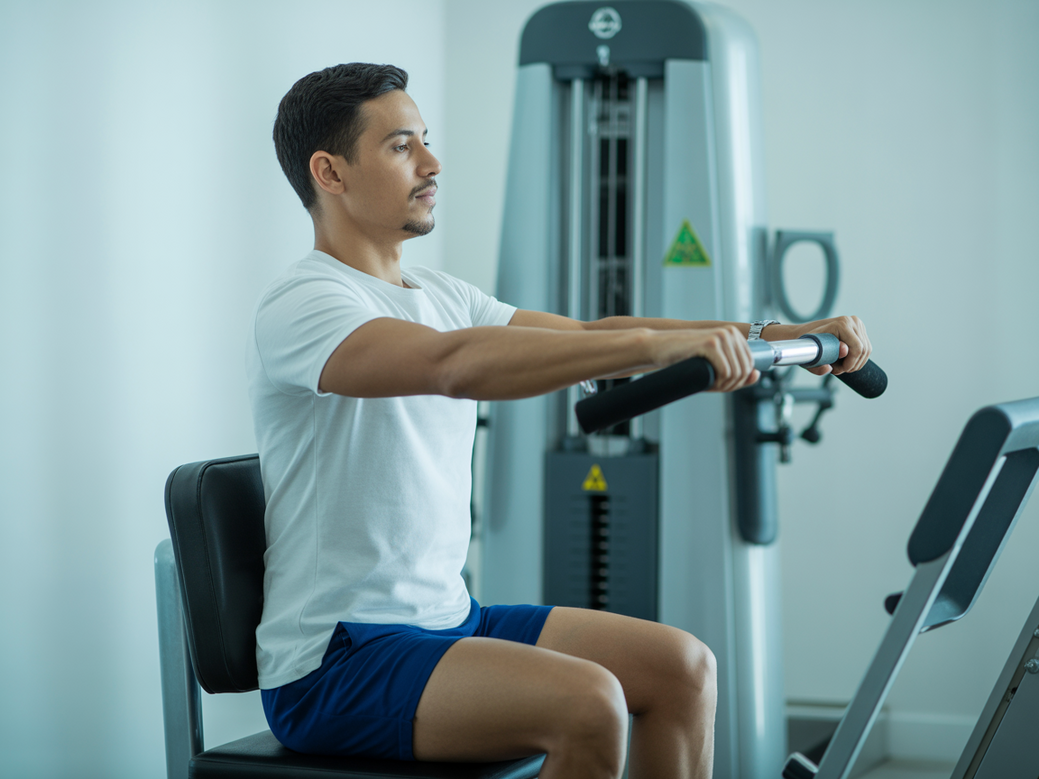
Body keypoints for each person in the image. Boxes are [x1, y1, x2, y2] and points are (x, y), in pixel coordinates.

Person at [247, 63, 871, 779]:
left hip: (450, 618)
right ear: (329, 171)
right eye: (400, 146)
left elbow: (587, 335)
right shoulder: (306, 303)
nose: (431, 162)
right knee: (589, 703)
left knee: (684, 668)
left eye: (424, 140)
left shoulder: (442, 294)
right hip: (337, 660)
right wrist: (658, 349)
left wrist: (768, 332)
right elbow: (451, 365)